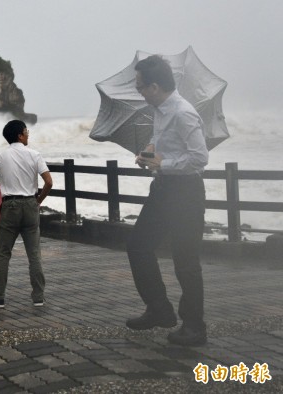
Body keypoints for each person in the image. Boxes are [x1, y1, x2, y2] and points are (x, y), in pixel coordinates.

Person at [126, 55, 209, 346]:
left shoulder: (183, 112)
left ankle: (195, 326)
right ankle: (159, 309)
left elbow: (200, 158)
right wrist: (149, 151)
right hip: (163, 189)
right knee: (138, 246)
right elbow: (163, 141)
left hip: (186, 191)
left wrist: (163, 163)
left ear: (155, 86)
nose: (137, 89)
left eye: (140, 85)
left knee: (185, 260)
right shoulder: (160, 108)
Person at [0, 119, 53, 308]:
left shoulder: (0, 156)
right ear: (20, 135)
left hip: (10, 206)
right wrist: (38, 202)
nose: (28, 134)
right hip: (30, 204)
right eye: (26, 131)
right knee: (34, 254)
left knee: (3, 253)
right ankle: (38, 298)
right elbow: (49, 182)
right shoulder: (35, 155)